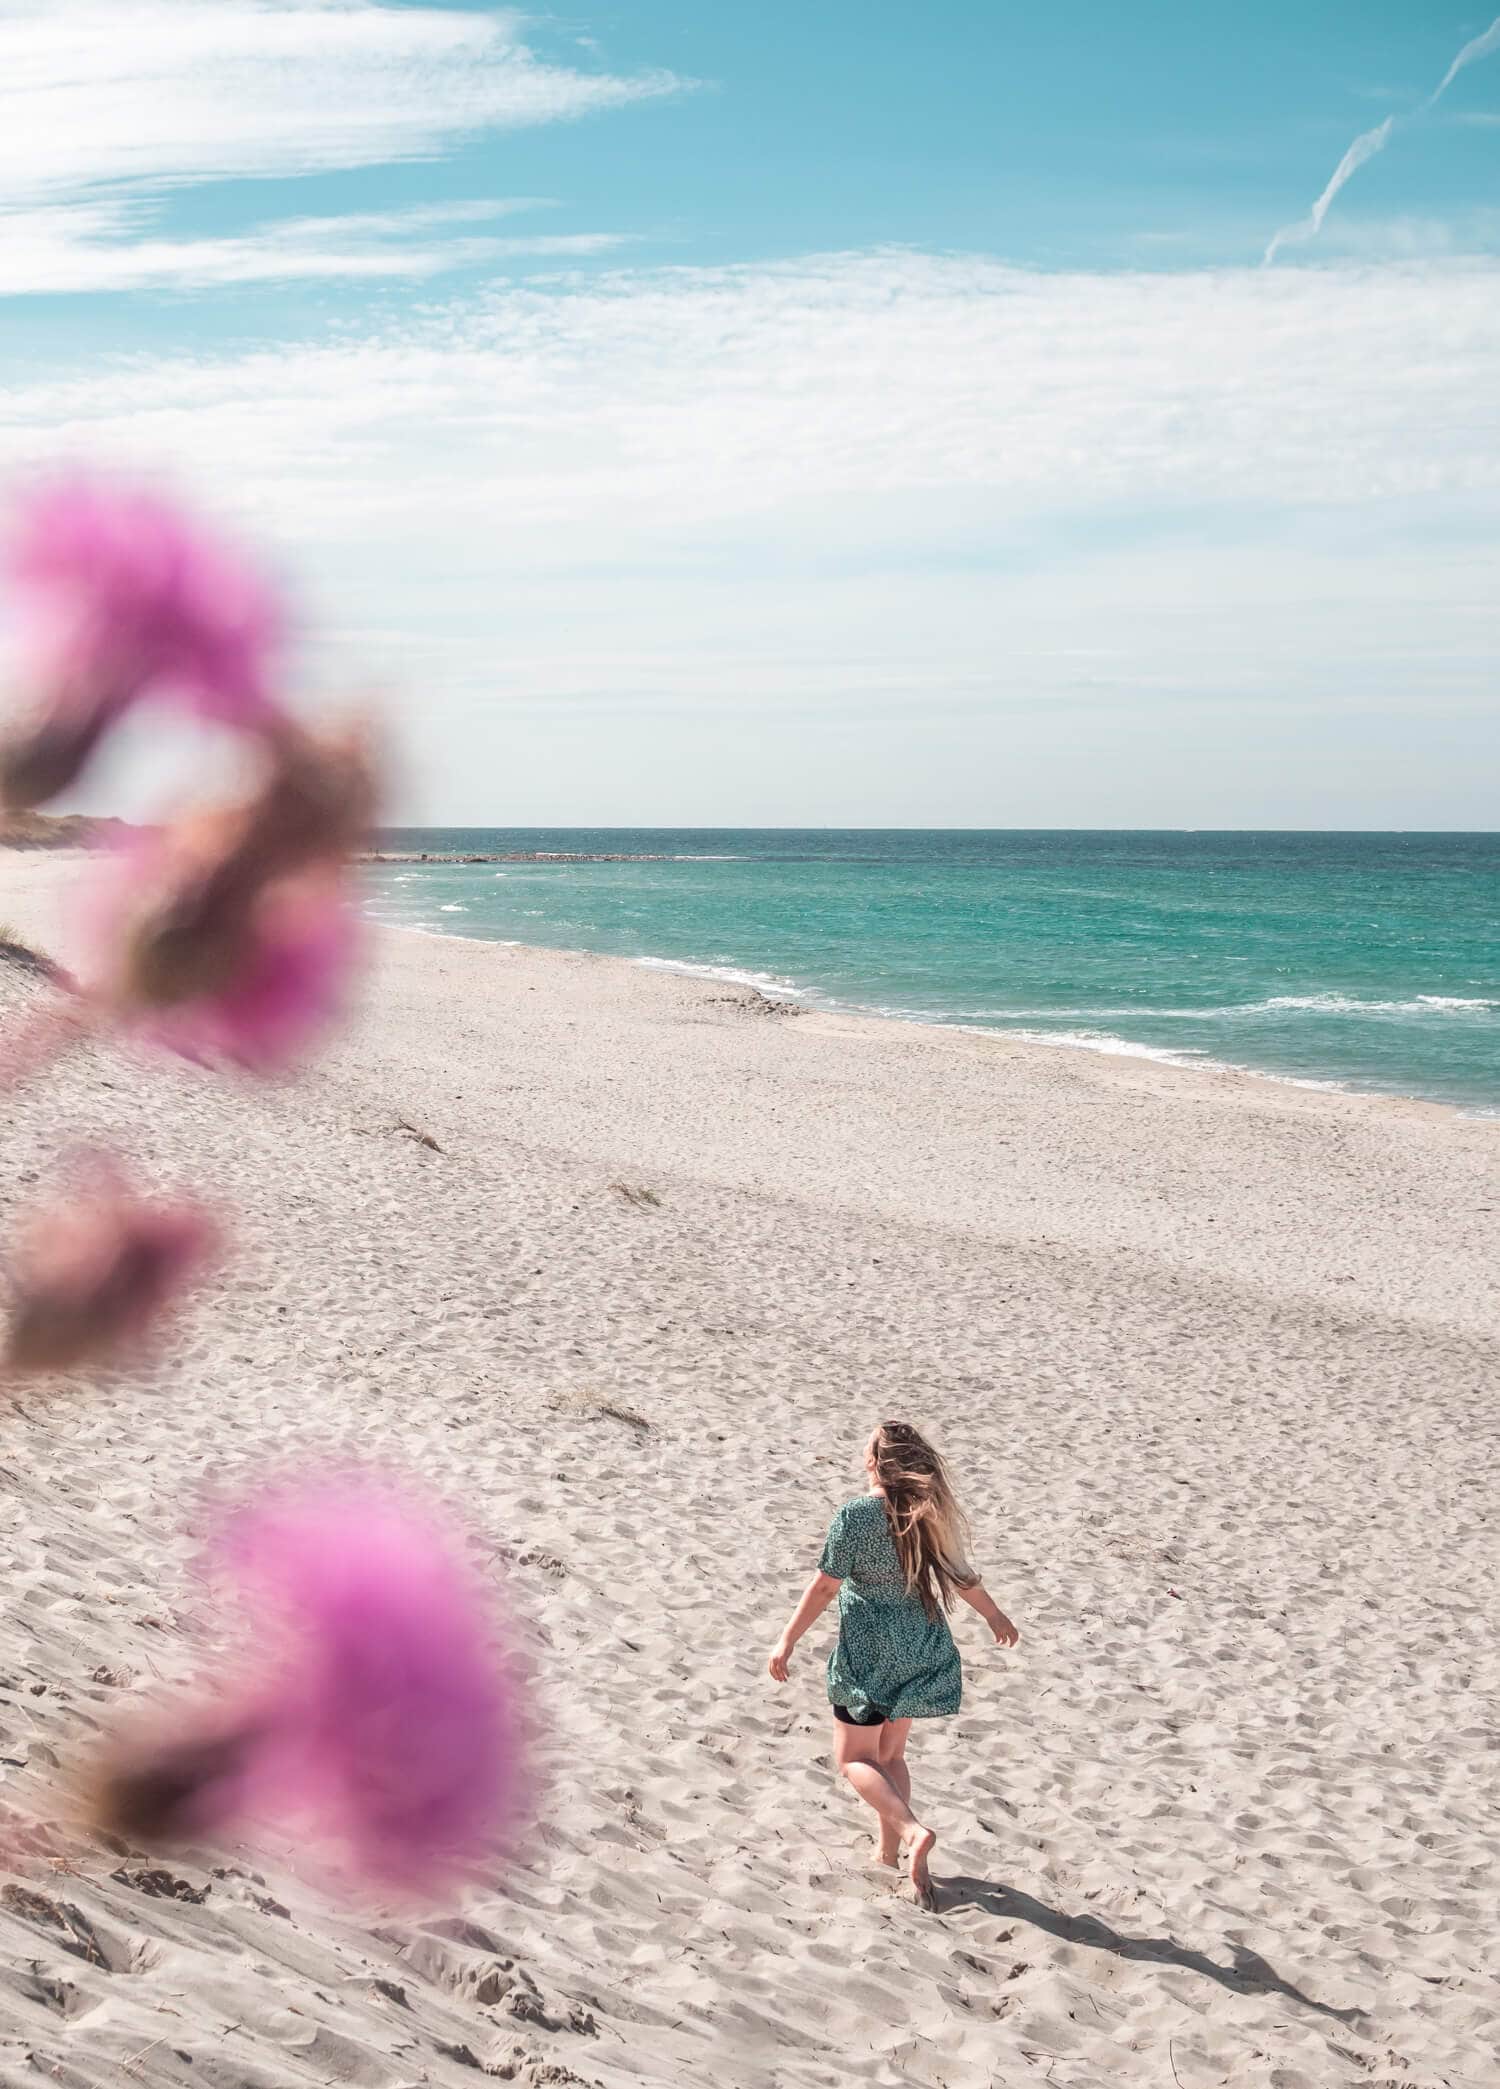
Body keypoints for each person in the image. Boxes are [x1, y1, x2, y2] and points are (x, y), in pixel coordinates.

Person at [767, 1419, 1019, 1903]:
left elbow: (825, 1586)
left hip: (871, 1649)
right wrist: (996, 1616)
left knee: (853, 1759)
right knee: (891, 1756)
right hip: (921, 1643)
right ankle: (887, 1855)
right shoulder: (929, 1514)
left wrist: (786, 1640)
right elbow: (962, 1578)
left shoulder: (856, 1516)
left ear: (873, 1463)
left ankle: (910, 1832)